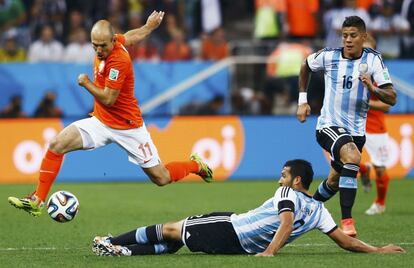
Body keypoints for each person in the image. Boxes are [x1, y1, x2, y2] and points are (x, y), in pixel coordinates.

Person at [8, 11, 213, 217]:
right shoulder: (113, 42)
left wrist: (86, 83)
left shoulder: (119, 60)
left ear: (113, 41)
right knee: (56, 145)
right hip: (101, 122)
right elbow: (132, 36)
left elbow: (108, 99)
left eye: (102, 46)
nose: (98, 50)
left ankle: (196, 165)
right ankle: (37, 200)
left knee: (162, 178)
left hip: (128, 127)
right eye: (94, 45)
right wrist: (149, 26)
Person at [91, 159, 404, 257]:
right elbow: (344, 240)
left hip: (233, 232)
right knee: (174, 243)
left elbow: (285, 222)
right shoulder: (319, 211)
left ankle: (112, 241)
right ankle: (123, 252)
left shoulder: (288, 195)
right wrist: (378, 251)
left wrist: (270, 252)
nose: (278, 177)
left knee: (172, 229)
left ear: (295, 180)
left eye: (283, 174)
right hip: (232, 221)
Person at [296, 16, 396, 237]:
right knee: (352, 156)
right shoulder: (329, 55)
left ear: (363, 36)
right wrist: (303, 101)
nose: (348, 40)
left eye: (352, 36)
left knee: (334, 181)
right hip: (328, 126)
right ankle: (347, 222)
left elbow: (391, 98)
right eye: (344, 36)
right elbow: (305, 65)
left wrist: (373, 88)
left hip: (356, 131)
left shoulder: (374, 60)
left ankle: (306, 210)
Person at [358, 35, 391, 216]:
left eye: (370, 51)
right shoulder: (350, 72)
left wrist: (366, 103)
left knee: (380, 169)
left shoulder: (379, 76)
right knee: (341, 158)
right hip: (355, 125)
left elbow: (386, 106)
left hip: (375, 128)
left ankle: (380, 203)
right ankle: (363, 169)